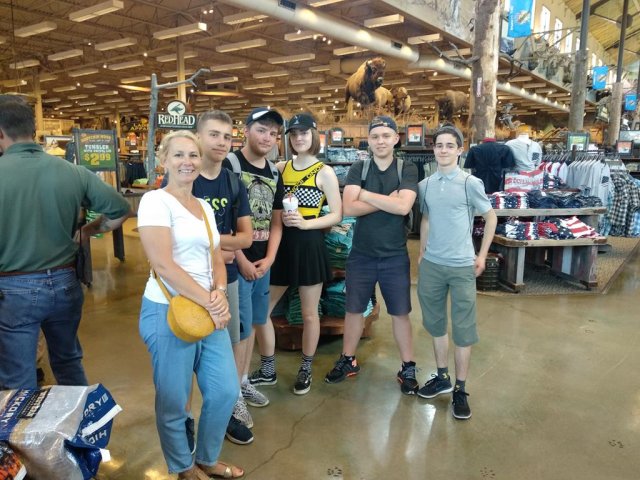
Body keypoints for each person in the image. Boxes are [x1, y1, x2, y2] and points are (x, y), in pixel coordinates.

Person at [0, 95, 131, 390]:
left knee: (17, 377)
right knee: (68, 363)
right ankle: (78, 420)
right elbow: (121, 209)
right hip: (65, 283)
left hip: (13, 290)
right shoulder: (73, 171)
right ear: (34, 129)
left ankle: (24, 421)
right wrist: (88, 231)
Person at [137, 130, 243, 479]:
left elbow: (216, 257)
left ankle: (207, 458)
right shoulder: (155, 201)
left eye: (193, 155)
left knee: (225, 390)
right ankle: (184, 468)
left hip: (207, 309)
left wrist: (220, 292)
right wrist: (211, 303)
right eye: (179, 155)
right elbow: (164, 265)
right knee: (174, 399)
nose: (187, 162)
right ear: (164, 161)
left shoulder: (204, 207)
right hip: (168, 311)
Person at [163, 111, 255, 444]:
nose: (221, 142)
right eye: (213, 134)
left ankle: (228, 409)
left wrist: (217, 247)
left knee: (228, 345)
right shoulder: (179, 181)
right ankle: (186, 418)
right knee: (183, 354)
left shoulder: (232, 182)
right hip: (181, 287)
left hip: (224, 280)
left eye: (227, 136)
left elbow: (246, 238)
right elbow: (164, 248)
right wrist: (217, 245)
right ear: (198, 137)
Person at [324, 115, 419, 395]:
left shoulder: (406, 168)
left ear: (396, 139)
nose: (380, 141)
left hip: (394, 256)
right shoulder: (359, 167)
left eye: (386, 136)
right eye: (375, 136)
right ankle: (347, 359)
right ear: (369, 140)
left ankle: (408, 366)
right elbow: (349, 208)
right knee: (353, 310)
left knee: (400, 313)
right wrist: (389, 199)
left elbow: (404, 208)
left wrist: (365, 195)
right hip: (361, 255)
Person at [416, 124, 497, 420]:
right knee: (435, 324)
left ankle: (460, 389)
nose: (444, 150)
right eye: (439, 145)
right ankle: (442, 377)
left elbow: (490, 217)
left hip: (462, 265)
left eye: (450, 145)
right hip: (432, 265)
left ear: (460, 150)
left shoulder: (469, 183)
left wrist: (482, 254)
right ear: (433, 149)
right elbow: (426, 219)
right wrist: (422, 253)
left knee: (463, 329)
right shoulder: (425, 185)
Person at [265, 113, 342, 395]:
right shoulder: (280, 168)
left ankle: (306, 367)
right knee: (262, 311)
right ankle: (267, 366)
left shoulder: (324, 171)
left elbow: (337, 214)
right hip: (281, 244)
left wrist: (307, 223)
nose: (299, 138)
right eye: (294, 134)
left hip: (309, 244)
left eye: (304, 133)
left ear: (314, 136)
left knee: (310, 314)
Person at [222, 107, 284, 409]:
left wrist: (270, 258)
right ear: (245, 130)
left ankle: (243, 380)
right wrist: (241, 259)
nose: (267, 138)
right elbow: (221, 220)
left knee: (256, 322)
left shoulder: (274, 172)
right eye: (261, 130)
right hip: (236, 263)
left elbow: (276, 221)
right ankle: (232, 394)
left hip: (262, 264)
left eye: (273, 133)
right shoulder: (229, 165)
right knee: (239, 330)